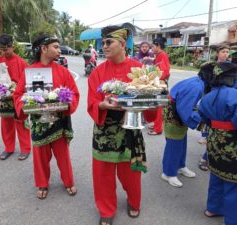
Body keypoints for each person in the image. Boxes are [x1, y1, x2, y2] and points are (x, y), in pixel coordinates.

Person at [87, 25, 147, 225]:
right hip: (105, 128)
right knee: (102, 172)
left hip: (130, 126)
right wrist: (101, 104)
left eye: (108, 42)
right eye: (102, 42)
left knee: (130, 171)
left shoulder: (139, 70)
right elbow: (92, 102)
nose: (103, 46)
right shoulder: (98, 71)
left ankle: (134, 201)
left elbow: (149, 98)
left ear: (122, 44)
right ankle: (106, 208)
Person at [13, 34, 80, 199]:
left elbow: (74, 94)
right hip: (39, 122)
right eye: (55, 47)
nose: (59, 50)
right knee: (40, 155)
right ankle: (42, 183)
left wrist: (66, 104)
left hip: (59, 121)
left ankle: (68, 181)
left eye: (59, 47)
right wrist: (25, 106)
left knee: (63, 154)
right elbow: (18, 94)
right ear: (44, 49)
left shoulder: (63, 71)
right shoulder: (29, 71)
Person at [198, 61, 237, 225]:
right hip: (233, 145)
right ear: (231, 78)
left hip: (215, 141)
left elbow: (204, 118)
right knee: (235, 184)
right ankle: (234, 220)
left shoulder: (207, 96)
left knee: (216, 175)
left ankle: (213, 208)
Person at [161, 64, 212, 187]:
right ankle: (168, 173)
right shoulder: (196, 87)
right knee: (174, 144)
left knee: (181, 142)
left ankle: (180, 166)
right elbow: (185, 109)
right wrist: (199, 119)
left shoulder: (198, 82)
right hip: (174, 114)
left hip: (176, 111)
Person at [0, 34, 31, 160]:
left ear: (12, 47)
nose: (4, 52)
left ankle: (25, 149)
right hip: (4, 98)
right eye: (2, 50)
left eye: (6, 49)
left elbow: (27, 82)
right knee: (6, 123)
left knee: (21, 122)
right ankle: (9, 148)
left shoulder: (21, 62)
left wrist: (16, 91)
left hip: (18, 98)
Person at [147, 37, 170, 135]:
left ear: (158, 46)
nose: (151, 48)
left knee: (160, 106)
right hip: (158, 82)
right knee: (156, 104)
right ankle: (156, 123)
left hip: (160, 83)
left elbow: (164, 71)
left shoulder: (162, 55)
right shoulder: (159, 55)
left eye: (153, 46)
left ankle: (158, 128)